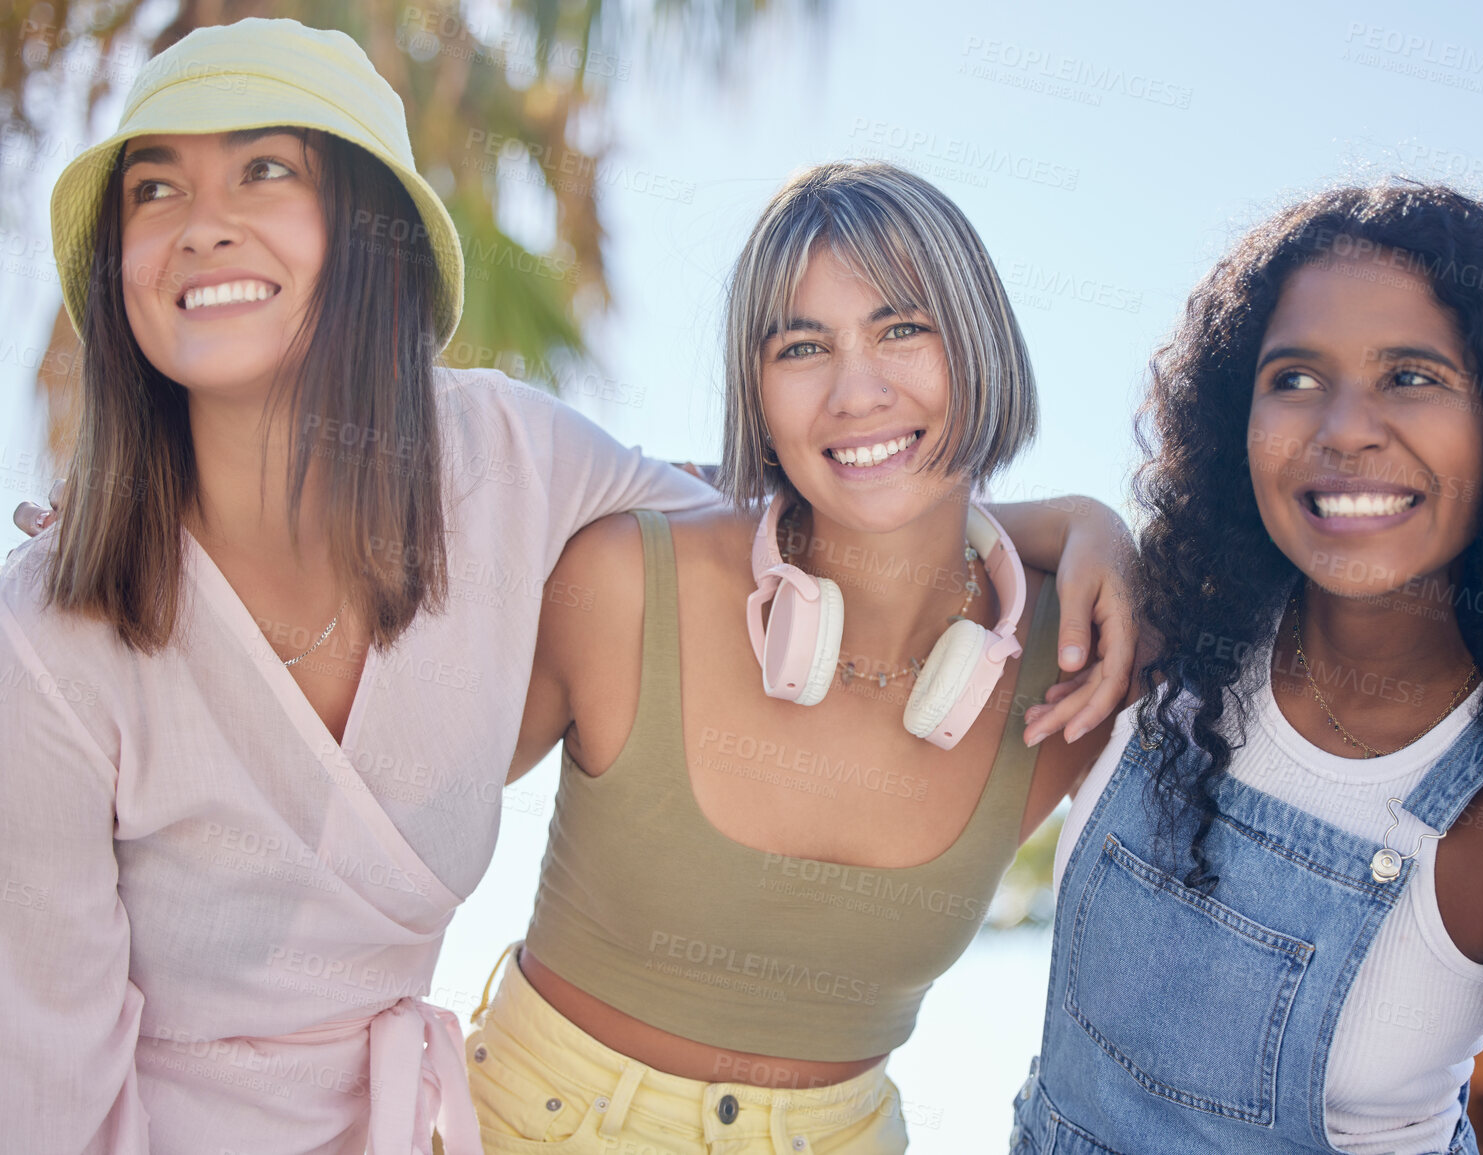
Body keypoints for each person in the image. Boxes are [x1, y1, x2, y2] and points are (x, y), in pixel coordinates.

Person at [0, 24, 1128, 1155]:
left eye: (265, 169)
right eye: (156, 188)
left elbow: (781, 495)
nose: (203, 222)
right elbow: (49, 1083)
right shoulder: (46, 638)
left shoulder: (504, 458)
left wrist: (1065, 525)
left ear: (368, 236)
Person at [1015, 184, 1483, 1154]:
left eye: (1412, 376)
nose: (1344, 427)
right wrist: (1076, 521)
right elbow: (886, 545)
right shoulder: (1165, 642)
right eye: (1297, 377)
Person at [460, 162, 1119, 1154]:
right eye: (803, 346)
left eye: (903, 328)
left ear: (981, 344)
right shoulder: (625, 586)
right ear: (756, 393)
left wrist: (1098, 525)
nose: (858, 391)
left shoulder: (1077, 670)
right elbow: (383, 833)